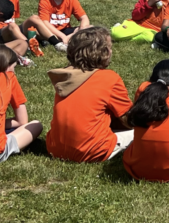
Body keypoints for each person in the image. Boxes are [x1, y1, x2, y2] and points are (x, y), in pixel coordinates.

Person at [46, 27, 134, 163]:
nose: (111, 52)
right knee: (144, 132)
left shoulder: (64, 76)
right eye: (109, 48)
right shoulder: (108, 78)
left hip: (55, 148)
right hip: (91, 151)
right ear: (102, 52)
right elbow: (129, 120)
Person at [25, 0, 89, 47]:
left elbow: (84, 18)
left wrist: (81, 30)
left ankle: (65, 39)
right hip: (50, 31)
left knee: (90, 28)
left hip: (66, 30)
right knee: (38, 32)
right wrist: (62, 36)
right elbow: (45, 23)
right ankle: (55, 40)